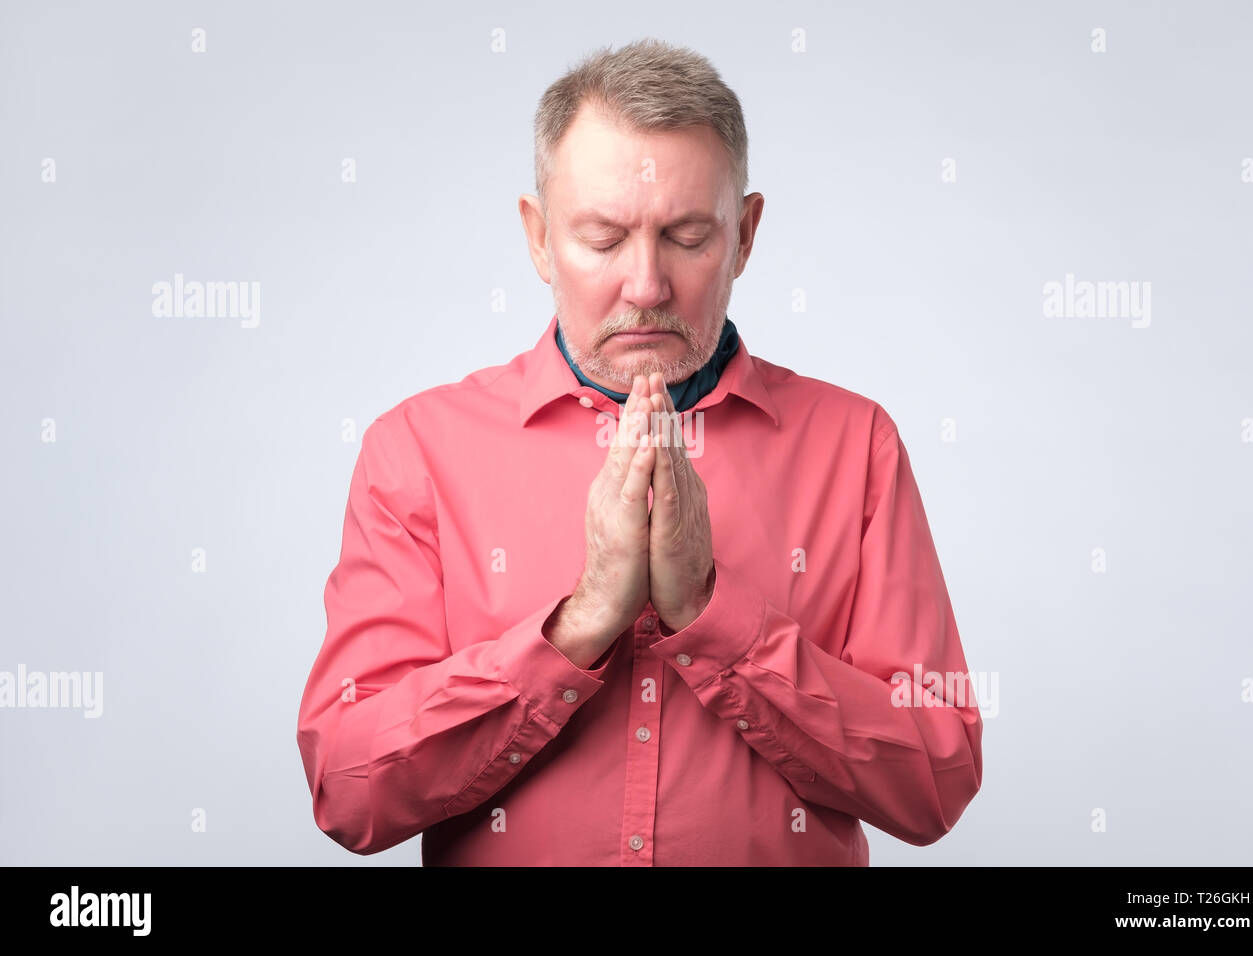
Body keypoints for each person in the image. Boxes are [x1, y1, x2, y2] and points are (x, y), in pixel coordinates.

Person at [296, 38, 982, 866]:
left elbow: (936, 778)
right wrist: (580, 624)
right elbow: (349, 792)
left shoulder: (856, 445)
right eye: (604, 238)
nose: (648, 285)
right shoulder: (416, 451)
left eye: (689, 236)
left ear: (746, 235)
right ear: (540, 238)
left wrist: (711, 616)